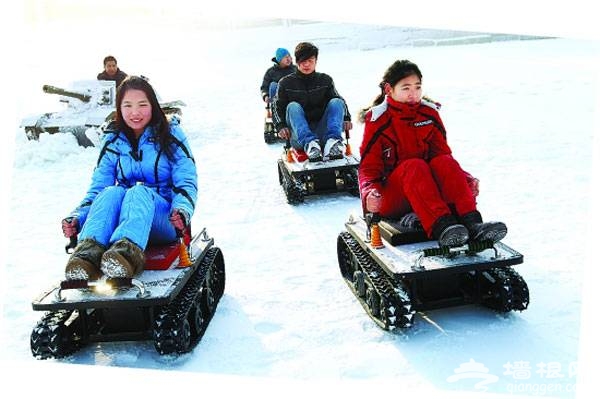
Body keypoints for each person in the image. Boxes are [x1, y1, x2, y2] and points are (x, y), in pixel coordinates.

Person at [61, 76, 197, 280]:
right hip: (125, 217)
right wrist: (78, 217)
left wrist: (182, 211)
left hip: (164, 219)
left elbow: (186, 179)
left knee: (138, 191)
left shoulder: (171, 134)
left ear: (153, 106)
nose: (135, 112)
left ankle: (125, 256)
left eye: (142, 104)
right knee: (111, 192)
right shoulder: (113, 139)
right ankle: (87, 255)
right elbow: (98, 187)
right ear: (119, 108)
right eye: (128, 105)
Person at [358, 59, 506, 247]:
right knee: (414, 165)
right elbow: (368, 168)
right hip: (392, 197)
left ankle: (472, 223)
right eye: (406, 88)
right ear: (389, 89)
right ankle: (442, 226)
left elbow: (444, 157)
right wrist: (370, 194)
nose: (413, 94)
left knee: (443, 161)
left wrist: (466, 179)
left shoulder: (429, 114)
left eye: (417, 87)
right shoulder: (378, 120)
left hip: (427, 191)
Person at [272, 42, 352, 162]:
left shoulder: (325, 80)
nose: (307, 64)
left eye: (310, 60)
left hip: (323, 132)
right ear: (297, 61)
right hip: (299, 136)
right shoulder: (286, 83)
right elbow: (277, 107)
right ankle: (310, 144)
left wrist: (346, 117)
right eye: (303, 61)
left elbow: (339, 101)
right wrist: (281, 126)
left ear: (316, 61)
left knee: (336, 101)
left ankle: (333, 142)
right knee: (293, 106)